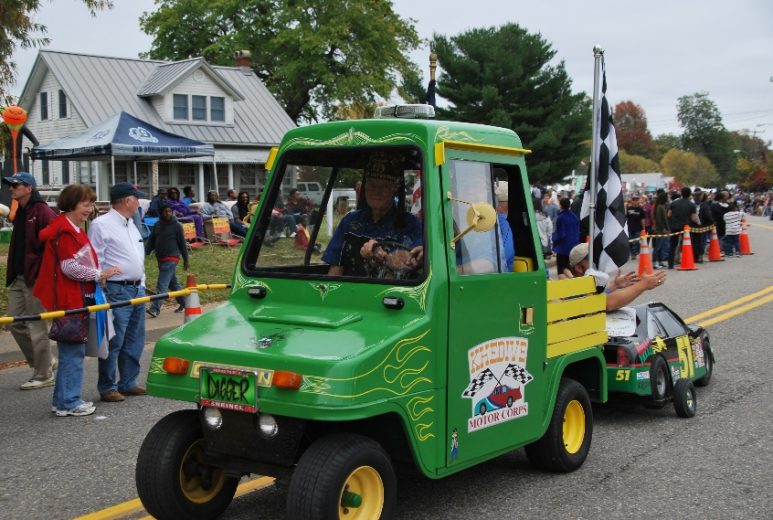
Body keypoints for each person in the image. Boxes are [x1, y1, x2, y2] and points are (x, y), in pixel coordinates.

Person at [34, 184, 121, 416]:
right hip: (70, 299)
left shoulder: (70, 228)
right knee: (72, 353)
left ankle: (62, 401)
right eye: (85, 204)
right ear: (71, 204)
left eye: (91, 204)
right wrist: (98, 275)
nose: (89, 209)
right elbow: (69, 267)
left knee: (70, 353)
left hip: (73, 297)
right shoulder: (65, 230)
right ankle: (70, 401)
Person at [88, 182, 148, 403]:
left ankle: (128, 381)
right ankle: (107, 385)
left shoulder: (131, 224)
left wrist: (141, 280)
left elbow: (137, 255)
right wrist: (101, 284)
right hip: (116, 289)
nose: (139, 203)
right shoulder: (101, 225)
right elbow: (96, 258)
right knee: (115, 340)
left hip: (136, 287)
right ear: (127, 200)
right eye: (136, 199)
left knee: (135, 338)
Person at [323, 154, 423, 278]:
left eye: (384, 186)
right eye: (372, 185)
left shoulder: (411, 224)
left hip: (392, 296)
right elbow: (335, 270)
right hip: (350, 293)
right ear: (364, 188)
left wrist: (383, 256)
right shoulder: (349, 222)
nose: (377, 191)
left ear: (395, 190)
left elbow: (413, 260)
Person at [2, 172, 57, 390]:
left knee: (37, 326)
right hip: (18, 276)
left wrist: (45, 272)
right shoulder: (22, 212)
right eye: (10, 185)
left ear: (29, 188)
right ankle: (44, 361)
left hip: (36, 277)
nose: (11, 189)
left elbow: (55, 242)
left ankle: (43, 375)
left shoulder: (42, 211)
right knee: (13, 322)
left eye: (15, 185)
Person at [562, 242, 666, 312]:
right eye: (593, 260)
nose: (599, 262)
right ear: (579, 268)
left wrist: (615, 285)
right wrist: (643, 285)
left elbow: (600, 296)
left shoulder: (583, 285)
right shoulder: (576, 289)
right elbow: (608, 303)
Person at [145, 204, 189, 318]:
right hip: (160, 258)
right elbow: (151, 241)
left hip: (172, 258)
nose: (168, 213)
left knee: (162, 285)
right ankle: (185, 304)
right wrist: (145, 253)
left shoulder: (177, 226)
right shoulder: (157, 225)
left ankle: (155, 309)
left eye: (170, 211)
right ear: (161, 213)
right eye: (165, 211)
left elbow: (182, 244)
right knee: (173, 283)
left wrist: (186, 259)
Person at [667, 187, 698, 269]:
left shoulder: (673, 203)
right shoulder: (691, 205)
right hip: (685, 227)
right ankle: (686, 261)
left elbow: (669, 215)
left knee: (672, 245)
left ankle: (670, 264)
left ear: (681, 193)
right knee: (686, 245)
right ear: (690, 194)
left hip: (674, 226)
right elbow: (693, 218)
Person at [552, 197, 580, 277]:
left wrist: (553, 238)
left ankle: (567, 285)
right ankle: (573, 281)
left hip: (562, 248)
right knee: (568, 267)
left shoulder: (560, 217)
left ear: (560, 205)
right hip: (573, 247)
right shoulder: (575, 216)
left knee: (561, 270)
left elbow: (561, 234)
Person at [652, 191, 670, 269]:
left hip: (661, 229)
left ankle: (660, 261)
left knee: (661, 246)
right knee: (658, 247)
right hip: (660, 230)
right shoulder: (660, 207)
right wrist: (664, 228)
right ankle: (654, 262)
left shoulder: (661, 206)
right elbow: (660, 219)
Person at [625, 194, 646, 259]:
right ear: (632, 200)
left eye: (636, 200)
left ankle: (634, 253)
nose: (635, 201)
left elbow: (642, 219)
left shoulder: (640, 209)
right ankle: (632, 253)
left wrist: (643, 228)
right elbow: (626, 217)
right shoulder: (629, 208)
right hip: (630, 227)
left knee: (636, 242)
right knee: (630, 241)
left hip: (638, 228)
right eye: (634, 200)